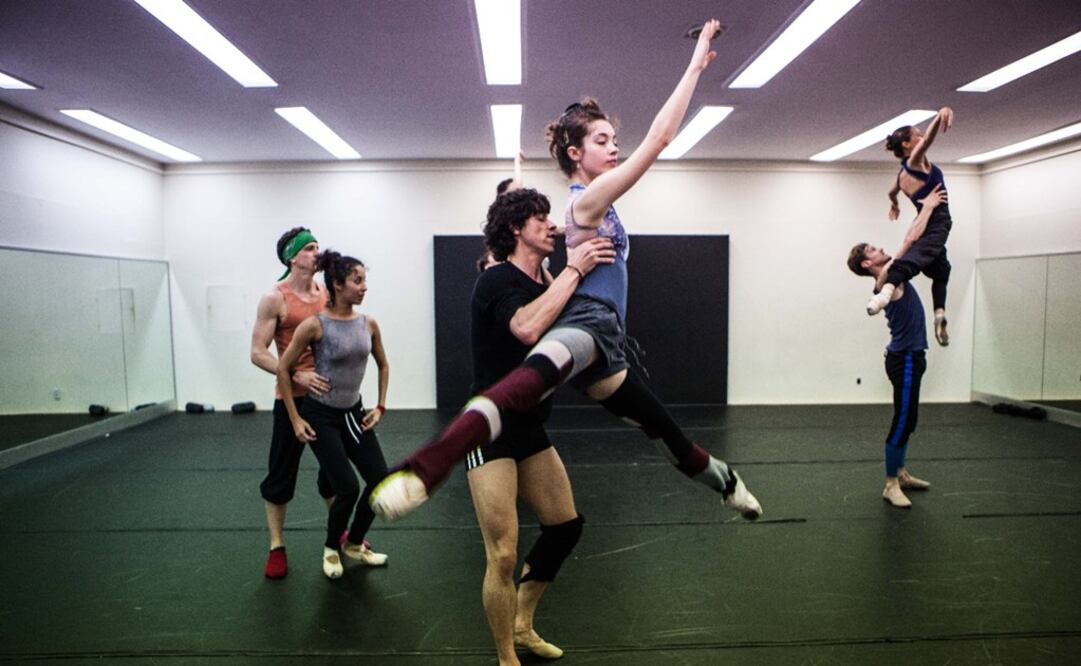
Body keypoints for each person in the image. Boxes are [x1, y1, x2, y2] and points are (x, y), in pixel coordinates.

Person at [371, 19, 761, 523]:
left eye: (614, 139)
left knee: (664, 430)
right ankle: (421, 473)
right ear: (576, 154)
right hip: (586, 326)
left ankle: (726, 483)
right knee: (518, 388)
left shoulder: (590, 206)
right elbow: (660, 139)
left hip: (607, 343)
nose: (614, 147)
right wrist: (695, 64)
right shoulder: (586, 202)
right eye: (602, 140)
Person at [469, 189, 614, 664]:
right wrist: (575, 270)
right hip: (488, 429)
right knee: (503, 554)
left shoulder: (544, 281)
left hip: (530, 426)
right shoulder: (495, 281)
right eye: (540, 218)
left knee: (564, 527)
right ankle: (506, 657)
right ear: (516, 229)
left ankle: (523, 623)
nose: (552, 225)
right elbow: (527, 328)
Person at [277, 250, 391, 578]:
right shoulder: (315, 326)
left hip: (353, 413)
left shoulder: (368, 323)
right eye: (357, 280)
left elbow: (383, 364)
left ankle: (354, 543)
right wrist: (295, 419)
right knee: (347, 488)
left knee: (380, 481)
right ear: (338, 285)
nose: (364, 287)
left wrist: (380, 406)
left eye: (364, 280)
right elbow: (283, 369)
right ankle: (331, 548)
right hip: (321, 416)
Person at [847, 185, 947, 508]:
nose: (880, 249)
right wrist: (928, 206)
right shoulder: (886, 277)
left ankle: (900, 472)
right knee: (902, 420)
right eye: (873, 250)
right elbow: (911, 239)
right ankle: (890, 485)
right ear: (867, 264)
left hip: (913, 356)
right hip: (903, 359)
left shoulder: (894, 275)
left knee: (910, 419)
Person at [250, 227, 333, 579]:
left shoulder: (325, 291)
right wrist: (295, 374)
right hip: (291, 400)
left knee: (335, 474)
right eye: (309, 248)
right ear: (292, 257)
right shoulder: (275, 298)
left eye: (317, 246)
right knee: (281, 476)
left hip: (327, 399)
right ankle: (276, 546)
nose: (317, 252)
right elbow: (257, 352)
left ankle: (341, 537)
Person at [873, 107, 956, 346]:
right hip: (938, 222)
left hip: (924, 223)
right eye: (916, 135)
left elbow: (891, 191)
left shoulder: (902, 175)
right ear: (907, 145)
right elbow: (928, 140)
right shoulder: (916, 161)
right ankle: (884, 294)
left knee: (941, 270)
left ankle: (939, 313)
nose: (921, 137)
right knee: (911, 261)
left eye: (920, 134)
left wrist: (894, 203)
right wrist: (939, 115)